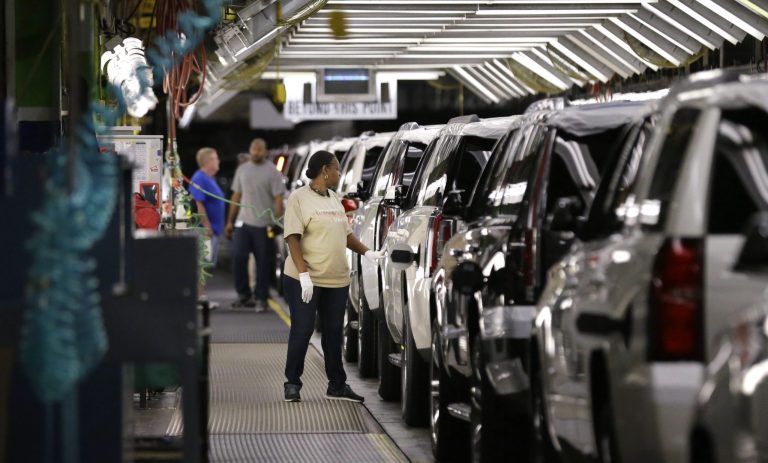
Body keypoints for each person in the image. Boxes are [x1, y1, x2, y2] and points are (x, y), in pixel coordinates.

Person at [282, 150, 385, 403]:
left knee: (333, 334)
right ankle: (292, 383)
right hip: (305, 279)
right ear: (325, 170)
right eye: (337, 169)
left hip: (336, 280)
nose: (340, 174)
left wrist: (368, 252)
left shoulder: (334, 199)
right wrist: (304, 275)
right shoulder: (299, 199)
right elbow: (292, 238)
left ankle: (337, 385)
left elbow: (346, 235)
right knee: (303, 330)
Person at [226, 138, 285, 312]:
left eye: (260, 149)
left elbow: (278, 200)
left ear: (265, 152)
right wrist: (230, 221)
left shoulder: (273, 172)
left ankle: (261, 298)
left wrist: (277, 221)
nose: (256, 152)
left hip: (264, 225)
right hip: (243, 223)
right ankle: (244, 294)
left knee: (263, 263)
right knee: (238, 257)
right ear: (250, 150)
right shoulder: (242, 170)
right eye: (254, 149)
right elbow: (236, 196)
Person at [189, 147, 225, 308]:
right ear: (208, 161)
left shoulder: (209, 179)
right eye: (215, 158)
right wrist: (206, 225)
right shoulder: (199, 178)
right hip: (204, 230)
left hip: (213, 229)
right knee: (201, 263)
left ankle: (201, 296)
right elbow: (199, 202)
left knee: (205, 263)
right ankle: (198, 297)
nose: (218, 161)